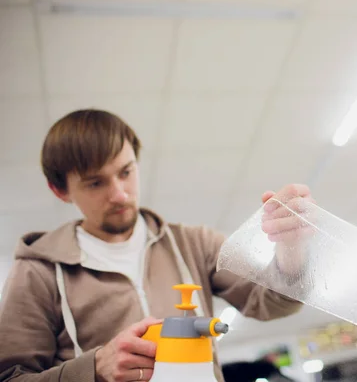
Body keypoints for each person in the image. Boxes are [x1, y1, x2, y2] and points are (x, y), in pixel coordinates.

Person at [0, 109, 315, 382]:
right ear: (60, 191)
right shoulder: (37, 271)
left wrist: (291, 247)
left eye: (126, 172)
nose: (120, 194)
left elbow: (273, 304)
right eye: (96, 183)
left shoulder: (195, 244)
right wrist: (94, 370)